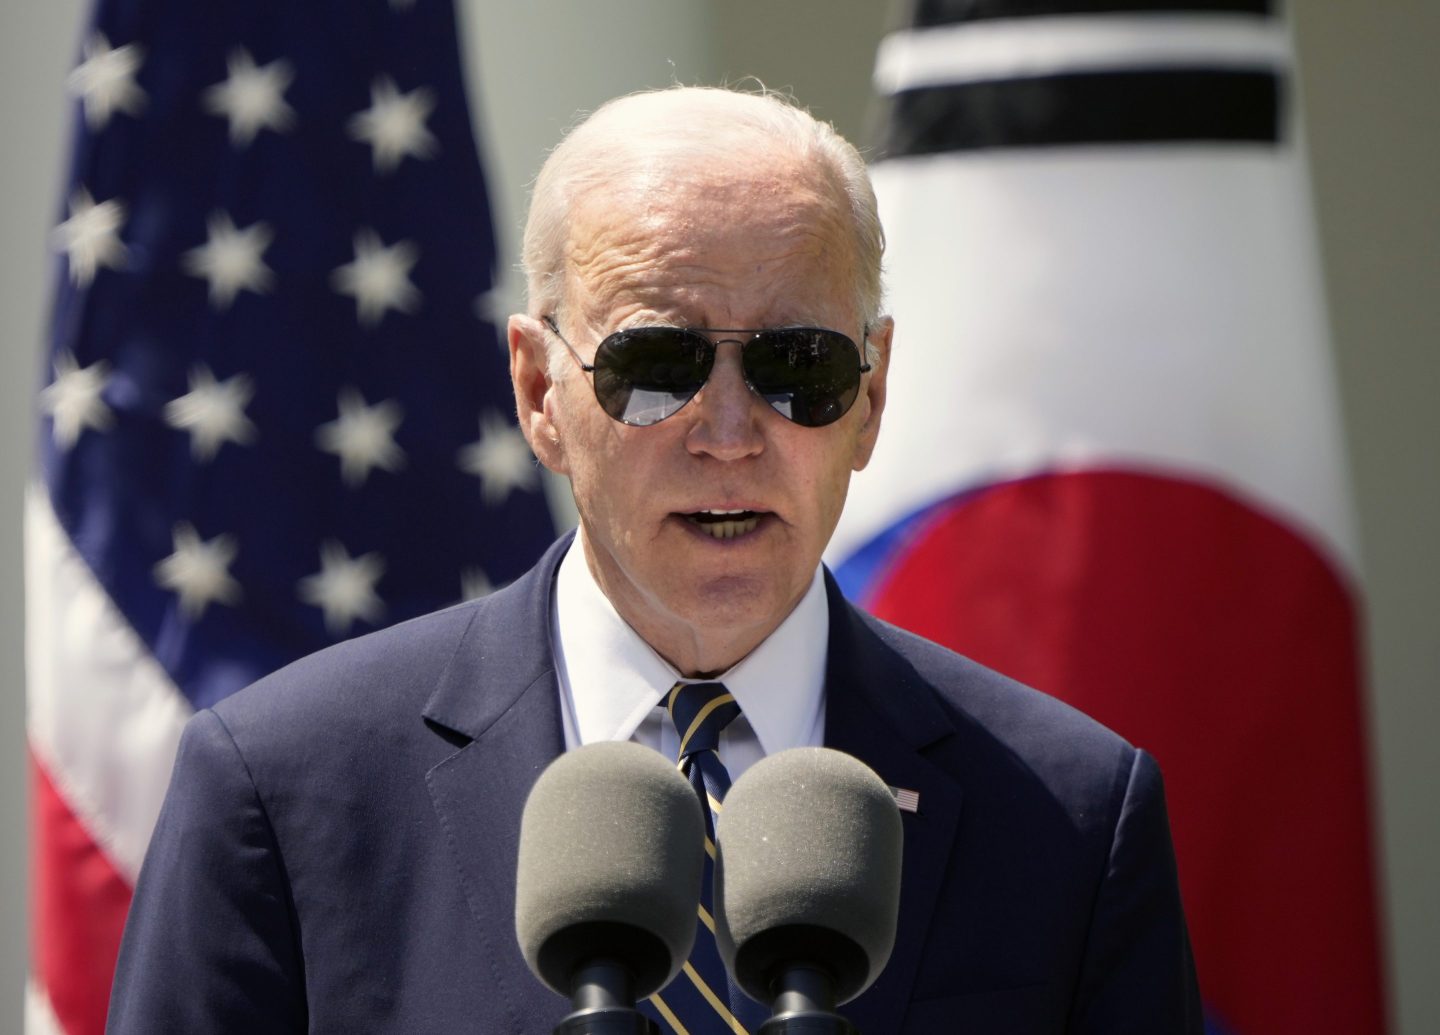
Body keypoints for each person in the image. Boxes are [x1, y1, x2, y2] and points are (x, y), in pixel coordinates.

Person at [107, 86, 1201, 1034]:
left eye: (799, 366)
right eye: (656, 363)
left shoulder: (1070, 820)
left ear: (871, 395)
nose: (729, 430)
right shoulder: (281, 794)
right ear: (541, 393)